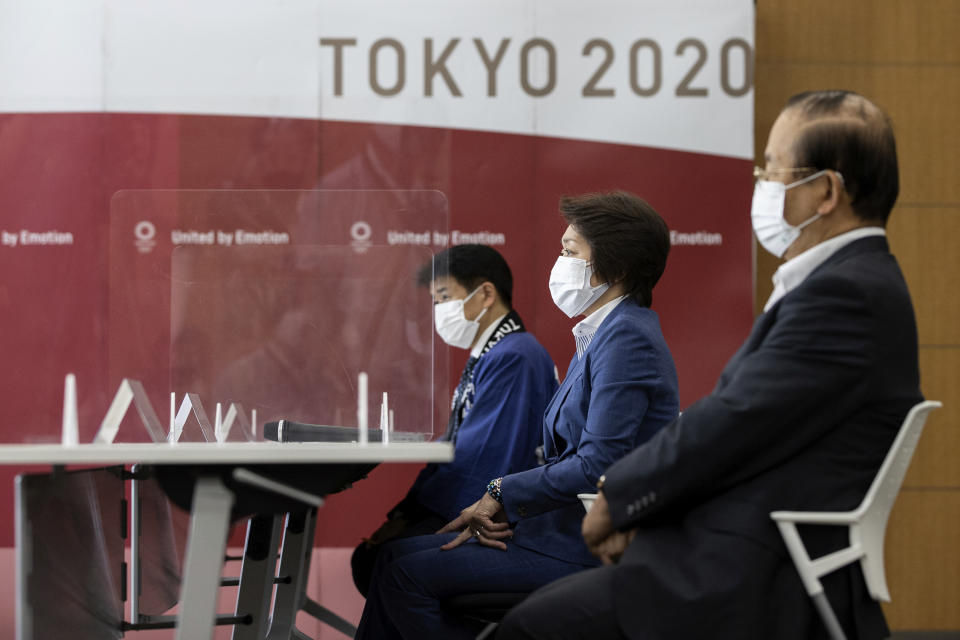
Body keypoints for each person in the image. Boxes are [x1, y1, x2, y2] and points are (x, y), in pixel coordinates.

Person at [498, 90, 923, 640]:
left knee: (531, 629)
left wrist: (623, 498)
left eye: (772, 170)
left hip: (752, 566)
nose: (762, 185)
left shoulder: (845, 294)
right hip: (736, 540)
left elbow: (734, 421)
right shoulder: (844, 283)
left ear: (824, 191)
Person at [354, 191, 680, 639]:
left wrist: (500, 492)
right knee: (393, 560)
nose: (559, 262)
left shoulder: (627, 339)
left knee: (400, 571)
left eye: (569, 251)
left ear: (617, 267)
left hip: (582, 544)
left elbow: (597, 464)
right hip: (553, 528)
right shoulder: (603, 334)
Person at [351, 244, 558, 596]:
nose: (438, 309)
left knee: (382, 561)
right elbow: (457, 448)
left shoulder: (516, 356)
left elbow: (484, 462)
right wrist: (404, 512)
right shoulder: (490, 353)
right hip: (465, 499)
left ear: (486, 293)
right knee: (370, 558)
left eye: (444, 296)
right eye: (434, 300)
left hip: (497, 517)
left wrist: (415, 518)